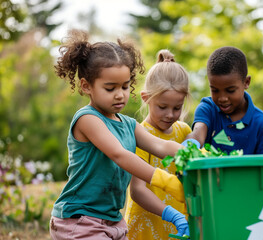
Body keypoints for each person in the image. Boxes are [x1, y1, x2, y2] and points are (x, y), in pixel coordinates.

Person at [50, 30, 188, 240]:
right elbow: (119, 154)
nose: (120, 94)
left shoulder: (129, 125)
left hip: (113, 220)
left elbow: (161, 146)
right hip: (79, 219)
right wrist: (164, 180)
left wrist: (195, 154)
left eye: (125, 86)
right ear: (86, 86)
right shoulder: (88, 119)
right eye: (110, 88)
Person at [124, 50, 191, 240]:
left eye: (177, 108)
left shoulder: (184, 131)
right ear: (146, 98)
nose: (170, 114)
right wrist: (171, 215)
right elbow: (137, 190)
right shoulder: (141, 136)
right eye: (162, 107)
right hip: (146, 227)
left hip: (179, 228)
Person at [184, 46, 263, 154]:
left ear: (246, 82)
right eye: (215, 90)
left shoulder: (262, 124)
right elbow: (197, 133)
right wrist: (187, 147)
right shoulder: (207, 109)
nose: (222, 98)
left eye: (230, 90)